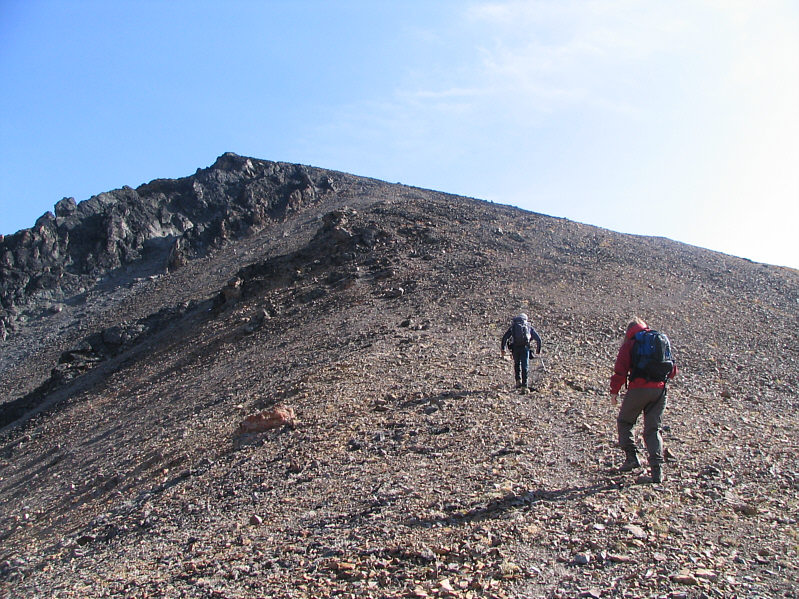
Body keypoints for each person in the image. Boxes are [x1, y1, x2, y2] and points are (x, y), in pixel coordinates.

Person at [609, 317, 677, 483]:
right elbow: (672, 370)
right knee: (653, 429)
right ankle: (657, 472)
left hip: (639, 388)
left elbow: (620, 370)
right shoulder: (659, 340)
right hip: (660, 390)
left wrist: (614, 392)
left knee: (625, 422)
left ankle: (632, 458)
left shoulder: (631, 343)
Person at [501, 313, 542, 392]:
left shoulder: (513, 327)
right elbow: (538, 339)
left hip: (515, 348)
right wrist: (538, 350)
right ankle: (524, 386)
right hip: (525, 348)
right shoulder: (528, 327)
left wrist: (503, 348)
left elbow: (505, 338)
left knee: (517, 364)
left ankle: (518, 381)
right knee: (525, 366)